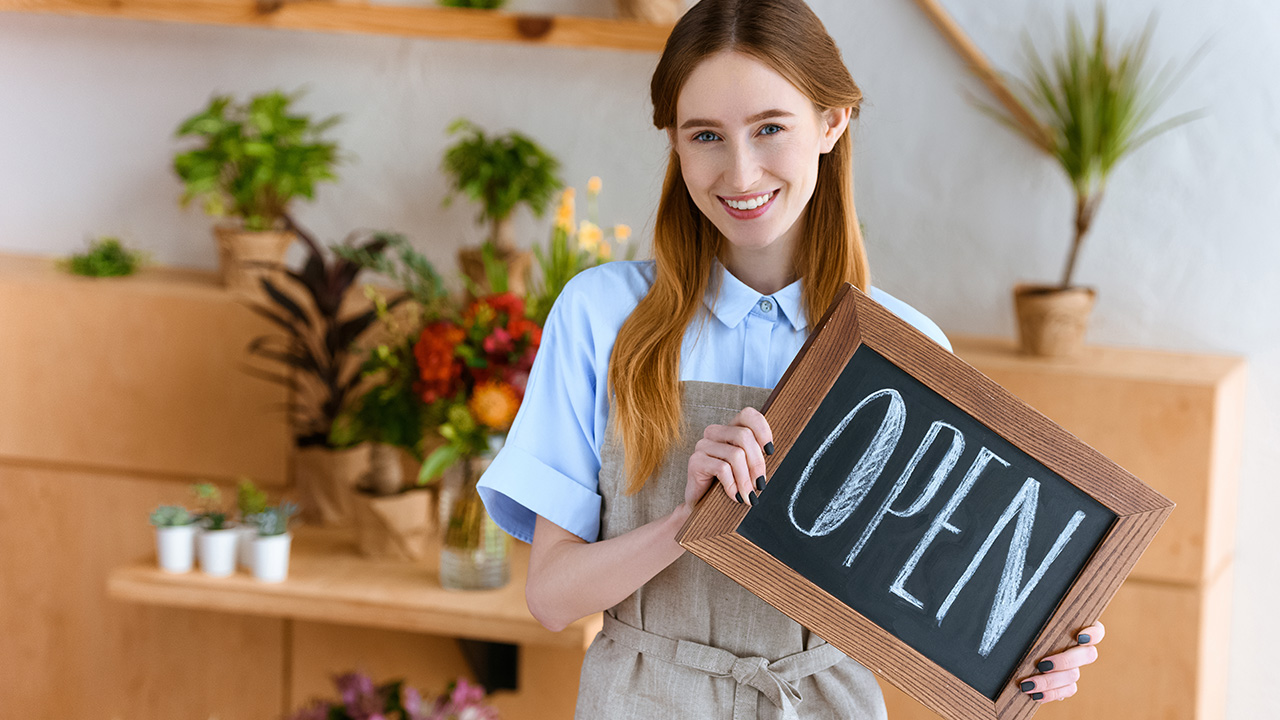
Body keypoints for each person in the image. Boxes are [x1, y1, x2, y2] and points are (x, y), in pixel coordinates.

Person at [478, 0, 1103, 717]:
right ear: (675, 145)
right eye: (705, 135)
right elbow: (551, 597)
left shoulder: (905, 347)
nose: (740, 172)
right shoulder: (602, 316)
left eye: (770, 128)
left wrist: (1038, 639)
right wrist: (689, 520)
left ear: (832, 123)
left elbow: (945, 593)